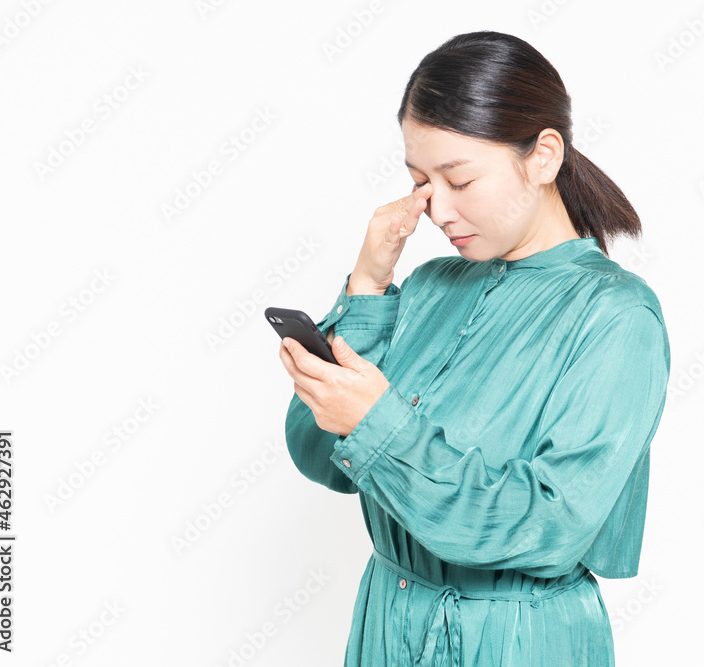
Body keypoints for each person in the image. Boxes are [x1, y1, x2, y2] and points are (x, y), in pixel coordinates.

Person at [278, 30, 670, 667]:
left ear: (543, 156)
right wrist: (368, 287)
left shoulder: (616, 316)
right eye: (420, 181)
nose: (436, 209)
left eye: (459, 180)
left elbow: (552, 525)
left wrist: (378, 424)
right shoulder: (429, 287)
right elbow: (321, 458)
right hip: (388, 620)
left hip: (517, 638)